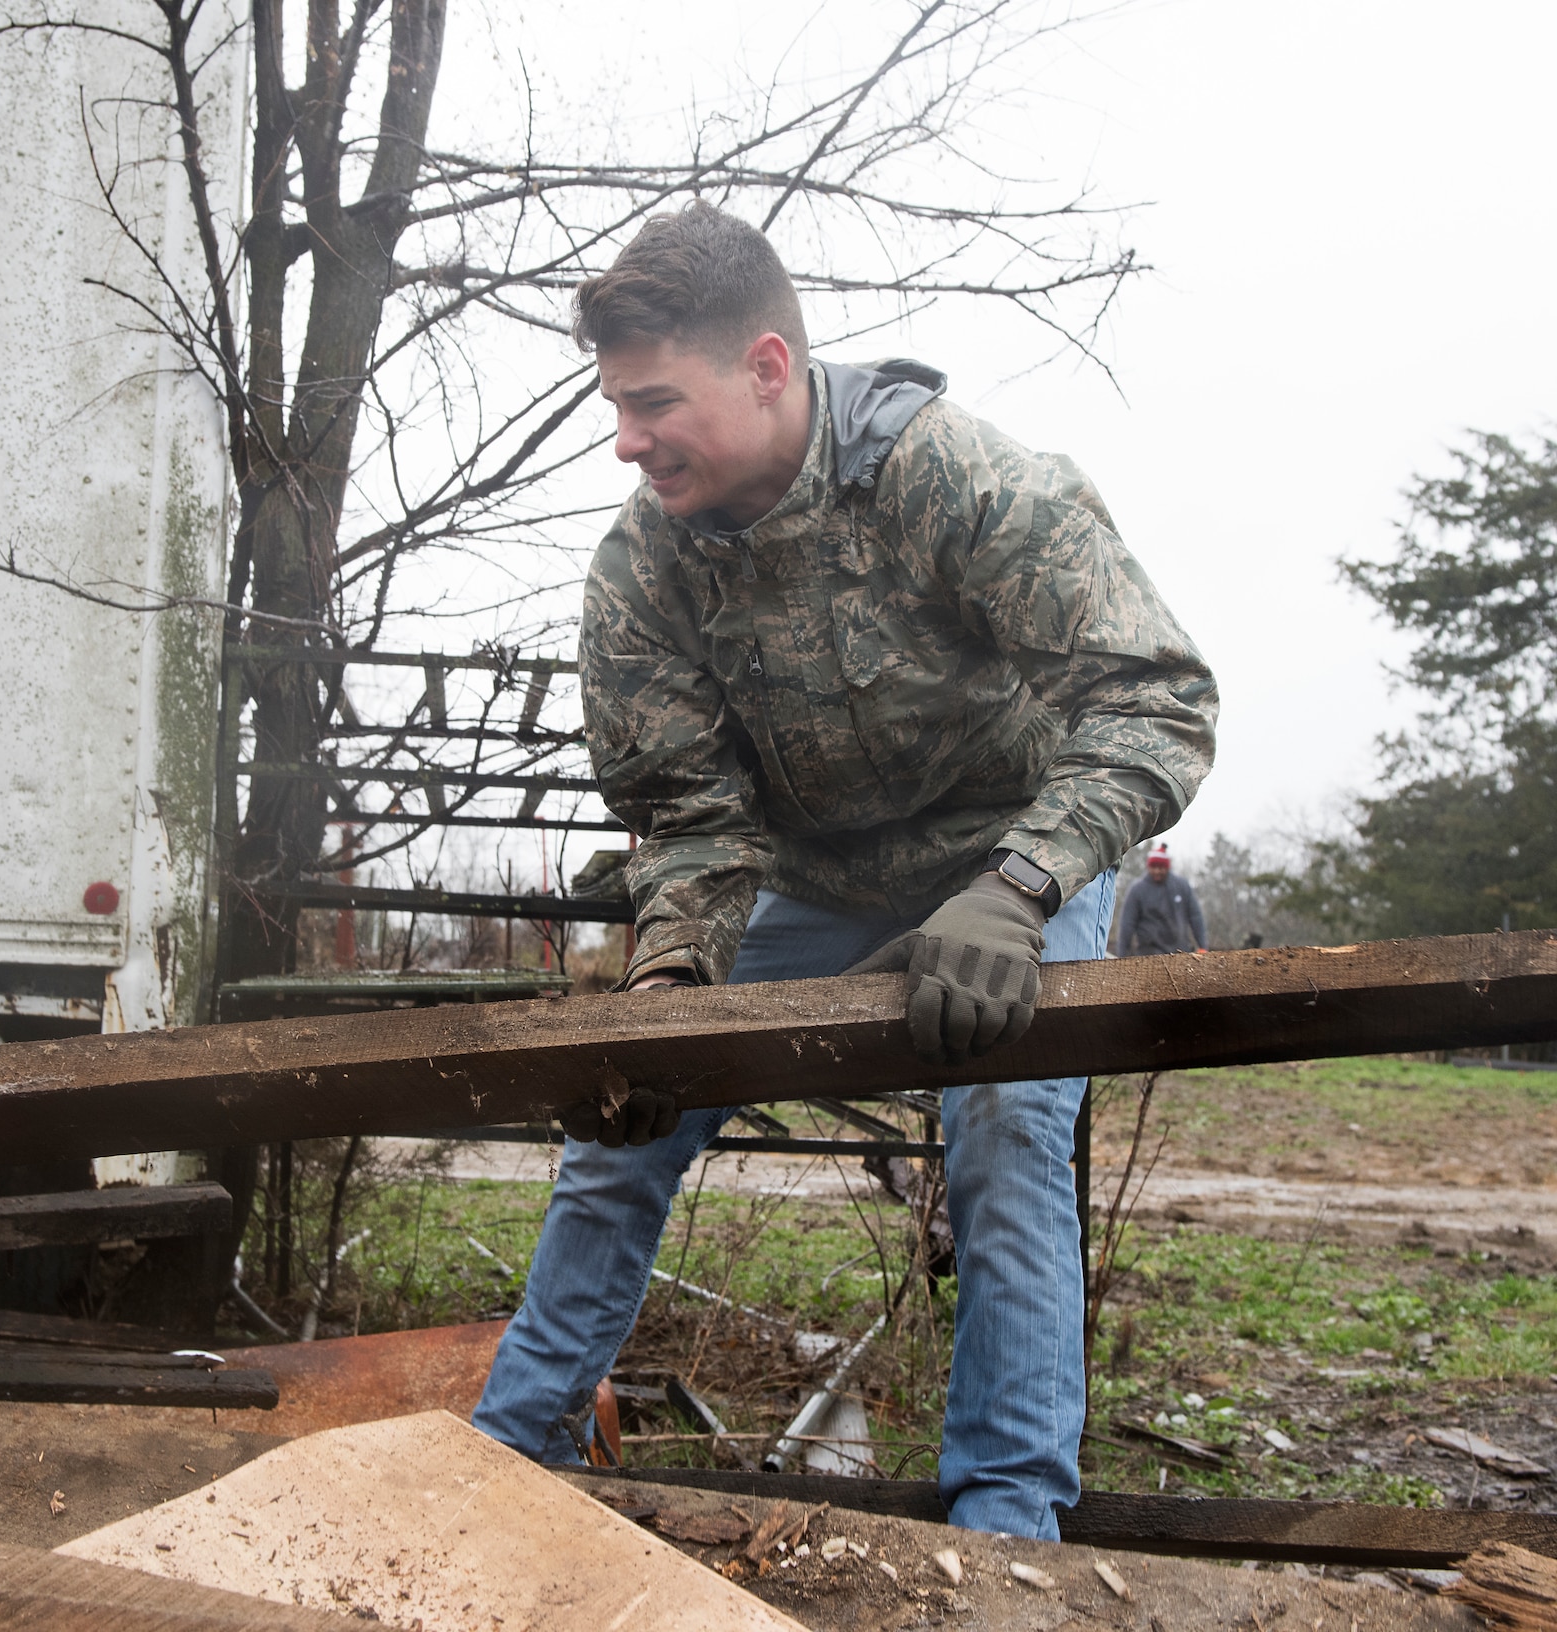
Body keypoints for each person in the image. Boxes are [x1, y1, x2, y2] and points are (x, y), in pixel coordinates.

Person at [470, 201, 1219, 1539]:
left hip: (1008, 865)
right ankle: (508, 1467)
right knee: (627, 1121)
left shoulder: (961, 481)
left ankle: (1007, 1528)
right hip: (806, 889)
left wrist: (1023, 884)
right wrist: (675, 989)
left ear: (765, 368)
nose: (627, 440)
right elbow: (691, 822)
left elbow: (1156, 698)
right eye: (617, 407)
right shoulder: (642, 570)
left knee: (1005, 1131)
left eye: (652, 403)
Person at [1116, 843, 1209, 956]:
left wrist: (1202, 945)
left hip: (1180, 952)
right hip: (1148, 955)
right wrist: (1122, 954)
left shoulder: (1181, 886)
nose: (1157, 871)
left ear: (1167, 867)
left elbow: (1195, 916)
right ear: (1148, 867)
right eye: (1153, 868)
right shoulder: (1137, 890)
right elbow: (1127, 924)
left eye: (1161, 868)